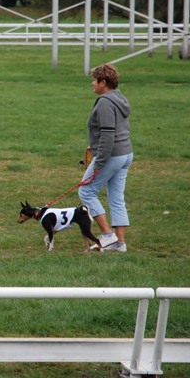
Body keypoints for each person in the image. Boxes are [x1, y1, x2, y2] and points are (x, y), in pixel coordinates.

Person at [78, 63, 134, 252]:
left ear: (104, 82)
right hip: (126, 153)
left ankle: (107, 235)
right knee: (117, 197)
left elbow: (108, 134)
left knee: (86, 191)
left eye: (95, 80)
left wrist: (98, 162)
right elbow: (112, 131)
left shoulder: (104, 102)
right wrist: (94, 145)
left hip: (112, 155)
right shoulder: (119, 97)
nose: (93, 84)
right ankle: (120, 244)